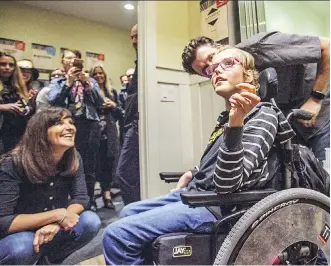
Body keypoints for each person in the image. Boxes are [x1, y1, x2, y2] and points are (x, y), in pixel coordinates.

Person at [102, 46, 296, 265]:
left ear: (249, 75)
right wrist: (194, 172)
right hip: (197, 191)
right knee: (128, 211)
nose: (217, 72)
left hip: (218, 205)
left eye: (228, 63)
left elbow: (227, 184)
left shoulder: (262, 115)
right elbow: (217, 163)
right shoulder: (227, 117)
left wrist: (235, 125)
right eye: (213, 69)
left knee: (116, 236)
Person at [181, 33, 330, 161]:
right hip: (294, 126)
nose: (214, 65)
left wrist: (316, 98)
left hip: (323, 114)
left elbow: (327, 46)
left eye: (211, 56)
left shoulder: (259, 46)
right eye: (206, 69)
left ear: (220, 47)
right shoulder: (233, 85)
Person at [0, 107, 101, 265]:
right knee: (23, 246)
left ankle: (48, 260)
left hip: (51, 227)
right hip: (16, 235)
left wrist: (57, 222)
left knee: (90, 221)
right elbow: (3, 221)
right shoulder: (13, 162)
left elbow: (80, 197)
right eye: (59, 123)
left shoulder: (73, 158)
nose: (69, 127)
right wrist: (56, 215)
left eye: (71, 122)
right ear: (40, 132)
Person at [49, 49, 104, 211]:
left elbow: (100, 102)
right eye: (69, 58)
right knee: (67, 163)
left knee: (89, 165)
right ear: (63, 62)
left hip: (90, 125)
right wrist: (69, 83)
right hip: (67, 125)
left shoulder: (90, 80)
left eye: (75, 58)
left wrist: (87, 83)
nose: (72, 60)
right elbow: (54, 101)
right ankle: (67, 202)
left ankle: (88, 201)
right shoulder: (58, 82)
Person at [90, 65, 123, 209]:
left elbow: (119, 113)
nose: (98, 76)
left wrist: (113, 105)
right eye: (95, 74)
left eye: (100, 73)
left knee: (108, 165)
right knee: (93, 165)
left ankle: (107, 196)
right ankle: (91, 198)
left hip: (109, 133)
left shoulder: (112, 91)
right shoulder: (89, 92)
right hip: (93, 133)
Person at [116, 24, 141, 205]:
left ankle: (132, 213)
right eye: (131, 37)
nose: (133, 41)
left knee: (124, 174)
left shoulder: (147, 61)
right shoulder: (140, 60)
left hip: (137, 125)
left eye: (137, 36)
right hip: (129, 124)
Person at [0, 52, 31, 153]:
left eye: (11, 65)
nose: (7, 67)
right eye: (3, 64)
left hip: (15, 134)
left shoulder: (17, 85)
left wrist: (26, 108)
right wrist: (3, 107)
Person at [118, 67, 135, 145]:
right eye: (129, 76)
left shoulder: (141, 88)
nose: (131, 77)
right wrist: (126, 114)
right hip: (126, 124)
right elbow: (119, 107)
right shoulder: (121, 92)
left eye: (133, 75)